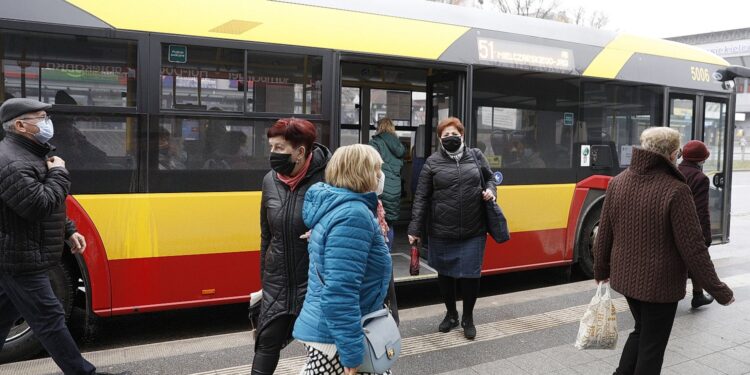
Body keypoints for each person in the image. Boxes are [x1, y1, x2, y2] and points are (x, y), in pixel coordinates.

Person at [0, 98, 128, 375]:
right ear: (21, 125)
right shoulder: (10, 161)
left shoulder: (29, 153)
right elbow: (38, 205)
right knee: (50, 318)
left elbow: (43, 206)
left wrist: (68, 230)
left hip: (17, 253)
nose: (47, 123)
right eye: (40, 117)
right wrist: (59, 173)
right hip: (21, 257)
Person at [594, 127, 734, 375]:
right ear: (672, 154)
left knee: (641, 330)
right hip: (660, 286)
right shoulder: (676, 190)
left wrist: (601, 270)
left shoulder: (618, 182)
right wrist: (719, 290)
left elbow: (604, 233)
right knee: (652, 345)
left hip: (626, 279)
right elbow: (694, 249)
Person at [293, 144, 393, 375]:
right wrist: (351, 352)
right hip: (337, 340)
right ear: (362, 172)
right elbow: (340, 291)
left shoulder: (339, 207)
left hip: (334, 329)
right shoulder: (353, 215)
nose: (380, 176)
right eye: (377, 169)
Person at [253, 118, 331, 375]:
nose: (273, 155)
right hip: (277, 281)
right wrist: (265, 277)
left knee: (320, 352)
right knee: (265, 344)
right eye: (271, 147)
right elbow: (267, 235)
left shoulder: (329, 179)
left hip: (314, 280)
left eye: (279, 148)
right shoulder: (269, 181)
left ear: (300, 151)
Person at [408, 117, 496, 340]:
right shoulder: (432, 162)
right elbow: (421, 197)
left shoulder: (476, 156)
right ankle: (451, 314)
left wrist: (491, 191)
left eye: (454, 134)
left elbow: (490, 179)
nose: (450, 138)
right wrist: (414, 228)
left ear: (462, 135)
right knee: (445, 276)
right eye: (445, 135)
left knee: (471, 276)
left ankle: (468, 318)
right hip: (442, 229)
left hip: (474, 229)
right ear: (440, 139)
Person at [368, 117, 405, 324]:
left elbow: (371, 167)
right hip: (395, 189)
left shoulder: (375, 143)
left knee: (379, 219)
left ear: (379, 127)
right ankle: (387, 248)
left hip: (381, 189)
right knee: (388, 221)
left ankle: (383, 250)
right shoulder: (399, 146)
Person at [678, 140, 715, 309]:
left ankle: (698, 295)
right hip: (689, 227)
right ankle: (698, 295)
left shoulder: (675, 170)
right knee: (697, 259)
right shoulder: (700, 178)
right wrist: (705, 237)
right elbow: (701, 211)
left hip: (671, 224)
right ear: (700, 160)